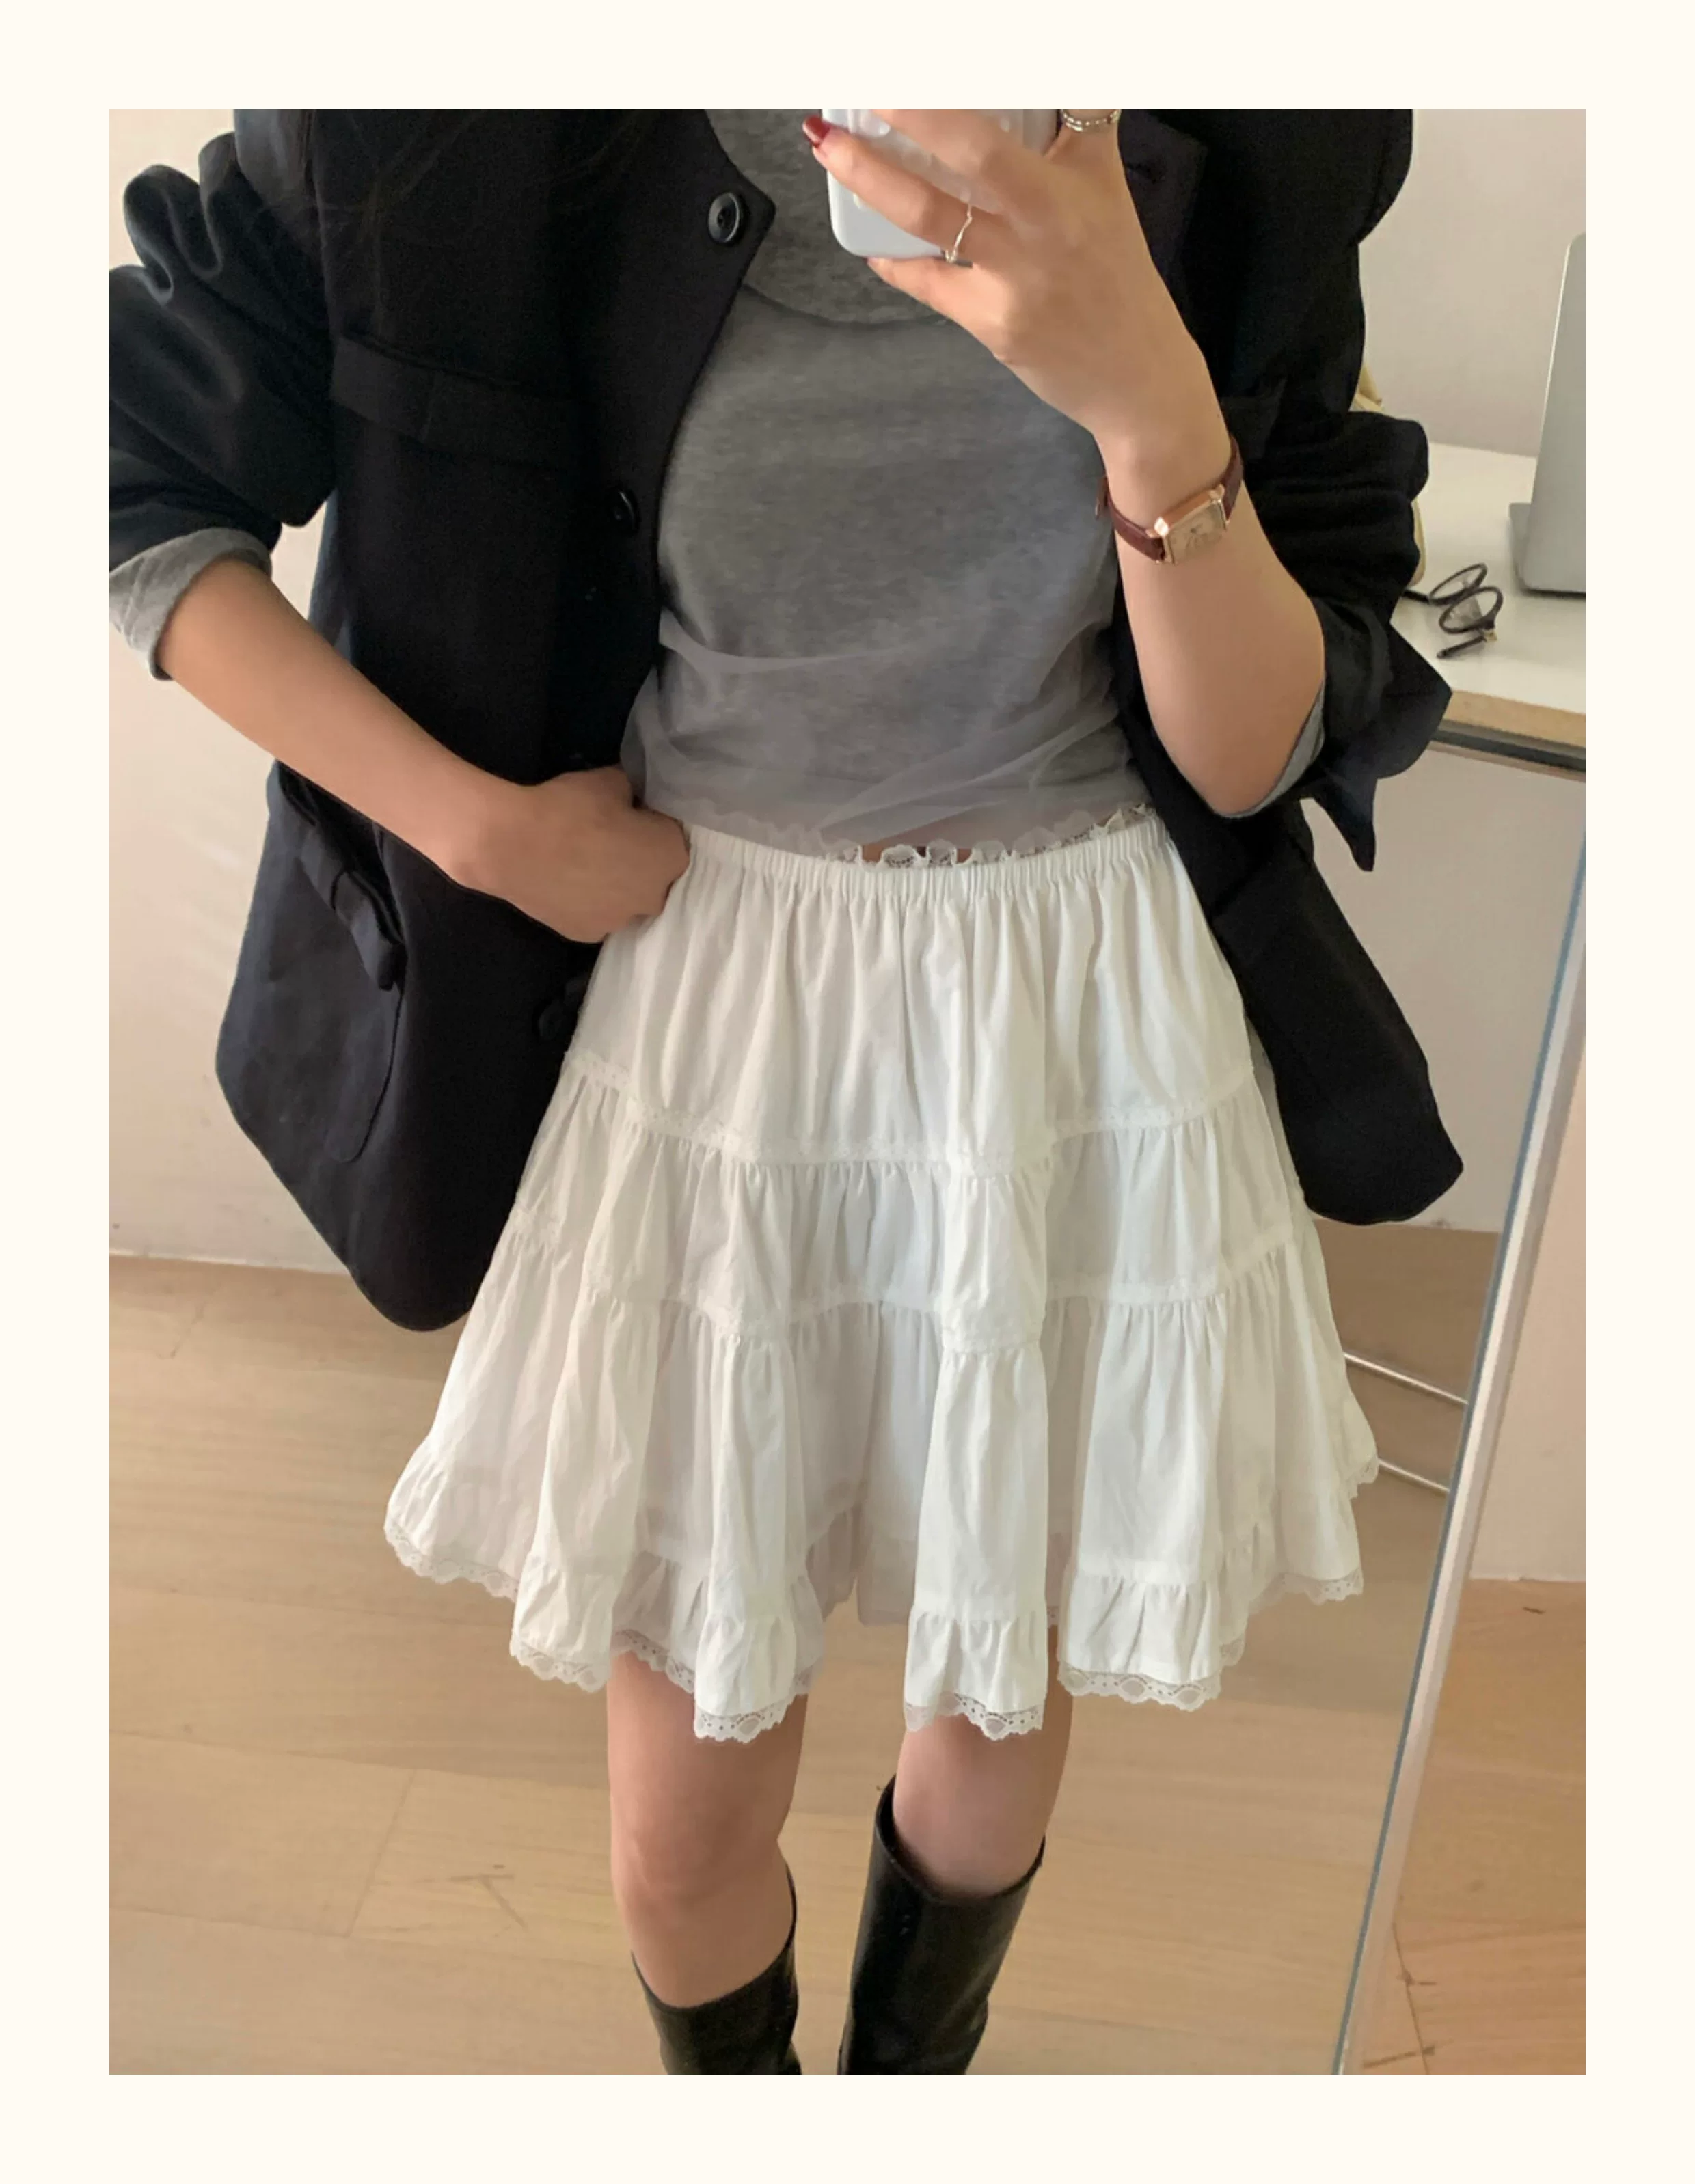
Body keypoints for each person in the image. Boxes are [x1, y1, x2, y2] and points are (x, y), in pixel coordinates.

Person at [110, 107, 1455, 2074]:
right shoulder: (434, 122)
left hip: (1075, 1003)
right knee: (682, 1814)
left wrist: (1152, 408)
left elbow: (1250, 754)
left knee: (997, 1687)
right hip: (714, 992)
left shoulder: (1260, 131)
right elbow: (128, 479)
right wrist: (477, 832)